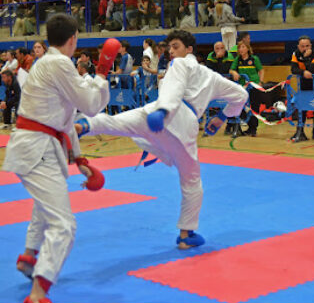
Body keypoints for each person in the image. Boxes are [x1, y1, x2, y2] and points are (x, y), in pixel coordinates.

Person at [75, 29, 248, 250]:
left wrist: (164, 110)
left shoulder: (181, 64)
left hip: (163, 114)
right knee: (191, 180)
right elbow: (242, 96)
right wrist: (223, 116)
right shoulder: (212, 77)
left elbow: (174, 90)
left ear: (189, 50)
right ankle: (186, 234)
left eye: (176, 46)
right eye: (170, 47)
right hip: (180, 124)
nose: (171, 51)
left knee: (116, 123)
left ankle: (82, 125)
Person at [2, 13, 120, 303]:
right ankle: (39, 294)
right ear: (73, 39)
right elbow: (91, 106)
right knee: (64, 225)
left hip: (42, 147)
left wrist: (78, 157)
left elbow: (65, 116)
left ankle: (29, 256)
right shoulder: (58, 64)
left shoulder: (48, 65)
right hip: (37, 150)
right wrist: (103, 72)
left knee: (46, 207)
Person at [290, 35, 314, 142]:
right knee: (302, 107)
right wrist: (303, 72)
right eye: (302, 46)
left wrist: (305, 58)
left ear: (311, 45)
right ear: (298, 46)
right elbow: (293, 69)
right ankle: (300, 131)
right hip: (305, 83)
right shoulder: (295, 54)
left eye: (307, 46)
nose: (305, 48)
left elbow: (312, 69)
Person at [229, 40, 264, 137]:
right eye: (239, 47)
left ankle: (253, 129)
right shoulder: (238, 59)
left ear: (248, 48)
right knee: (242, 107)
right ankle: (246, 126)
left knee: (254, 107)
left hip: (254, 86)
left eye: (243, 47)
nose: (241, 49)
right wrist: (234, 73)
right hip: (243, 87)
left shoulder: (254, 59)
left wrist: (260, 82)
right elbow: (231, 69)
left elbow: (261, 70)